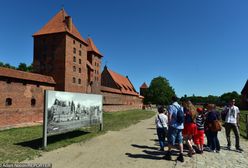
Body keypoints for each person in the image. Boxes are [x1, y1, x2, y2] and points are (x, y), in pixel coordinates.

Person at [164, 96, 184, 162]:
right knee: (180, 141)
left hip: (173, 126)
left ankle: (168, 154)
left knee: (170, 140)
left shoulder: (171, 106)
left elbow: (169, 116)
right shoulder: (181, 107)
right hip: (180, 126)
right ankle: (181, 155)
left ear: (172, 100)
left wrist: (168, 124)